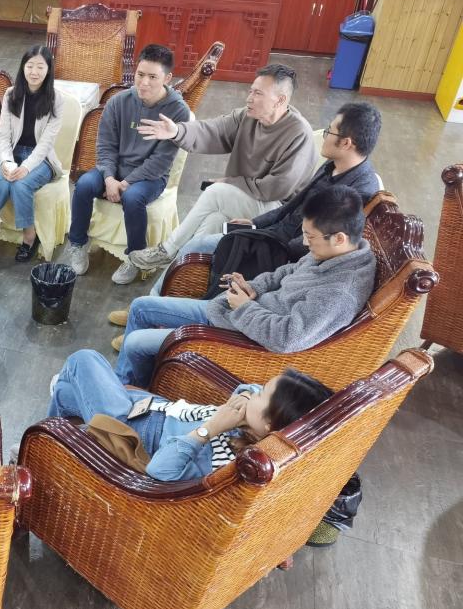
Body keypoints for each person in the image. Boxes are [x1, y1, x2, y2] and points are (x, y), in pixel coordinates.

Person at [106, 101, 383, 346]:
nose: (323, 136)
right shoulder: (331, 166)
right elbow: (291, 207)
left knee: (204, 237)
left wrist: (262, 236)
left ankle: (159, 309)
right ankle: (157, 308)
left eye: (330, 131)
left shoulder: (360, 190)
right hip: (274, 235)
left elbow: (315, 247)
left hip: (282, 248)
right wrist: (255, 224)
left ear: (347, 143)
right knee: (211, 225)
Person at [113, 185, 376, 389]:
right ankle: (130, 384)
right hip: (233, 314)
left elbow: (287, 338)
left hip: (239, 339)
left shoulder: (339, 293)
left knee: (135, 343)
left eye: (310, 237)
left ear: (339, 238)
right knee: (140, 307)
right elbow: (288, 271)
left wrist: (246, 307)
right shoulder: (334, 253)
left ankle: (129, 393)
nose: (305, 244)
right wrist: (253, 286)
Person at [129, 63, 316, 272]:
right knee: (213, 220)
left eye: (257, 93)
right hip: (247, 198)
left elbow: (277, 188)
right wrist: (177, 131)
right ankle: (185, 272)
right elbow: (213, 130)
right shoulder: (247, 117)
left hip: (277, 212)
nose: (249, 98)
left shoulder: (299, 133)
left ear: (280, 100)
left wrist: (230, 182)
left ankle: (167, 250)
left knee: (216, 192)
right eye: (251, 91)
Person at [47, 349, 331, 481]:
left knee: (84, 359)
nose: (254, 390)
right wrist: (247, 400)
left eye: (262, 394)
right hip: (152, 407)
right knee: (64, 391)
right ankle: (50, 448)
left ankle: (52, 444)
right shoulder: (251, 423)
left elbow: (159, 471)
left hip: (129, 430)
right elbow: (248, 389)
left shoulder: (223, 458)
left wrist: (209, 429)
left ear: (269, 424)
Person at [59, 44, 191, 282]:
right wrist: (110, 178)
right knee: (84, 185)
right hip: (115, 169)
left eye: (153, 77)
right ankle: (77, 243)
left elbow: (160, 161)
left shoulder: (178, 111)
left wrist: (125, 183)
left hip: (151, 177)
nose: (144, 83)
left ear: (167, 78)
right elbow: (105, 146)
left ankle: (135, 257)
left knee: (133, 198)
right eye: (140, 74)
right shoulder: (118, 102)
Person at [0, 45, 64, 262]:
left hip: (41, 159)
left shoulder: (56, 99)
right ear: (23, 67)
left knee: (21, 184)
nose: (34, 72)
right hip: (11, 153)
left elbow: (46, 143)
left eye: (40, 67)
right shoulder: (11, 94)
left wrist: (26, 167)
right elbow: (3, 136)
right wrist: (7, 162)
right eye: (30, 66)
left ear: (48, 69)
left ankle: (29, 237)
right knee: (1, 183)